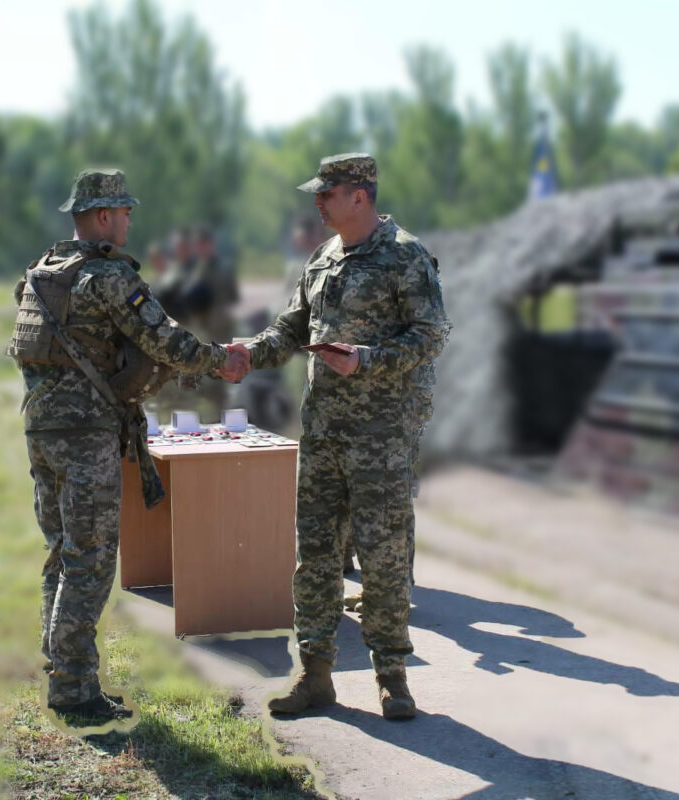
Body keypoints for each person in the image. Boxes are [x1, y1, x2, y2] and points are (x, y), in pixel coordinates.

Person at [9, 169, 248, 724]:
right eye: (123, 212)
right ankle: (74, 689)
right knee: (90, 560)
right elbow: (165, 340)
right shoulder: (108, 277)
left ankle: (58, 660)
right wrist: (221, 360)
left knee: (62, 550)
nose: (129, 221)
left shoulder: (42, 272)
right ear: (101, 216)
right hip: (86, 436)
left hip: (41, 431)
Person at [241, 153, 449, 720]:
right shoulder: (323, 256)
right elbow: (291, 326)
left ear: (360, 196)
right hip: (323, 433)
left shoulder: (404, 255)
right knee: (315, 554)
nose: (318, 202)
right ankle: (315, 676)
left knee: (382, 556)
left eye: (327, 193)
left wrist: (367, 360)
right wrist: (246, 354)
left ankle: (392, 677)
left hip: (380, 436)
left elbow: (431, 334)